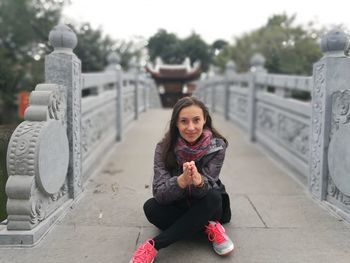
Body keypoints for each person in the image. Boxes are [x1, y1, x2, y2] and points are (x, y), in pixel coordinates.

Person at [129, 96, 234, 263]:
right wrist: (180, 182)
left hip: (207, 205)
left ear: (204, 120)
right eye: (184, 121)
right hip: (178, 204)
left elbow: (210, 186)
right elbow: (160, 193)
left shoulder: (217, 147)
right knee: (150, 207)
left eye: (196, 120)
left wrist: (199, 182)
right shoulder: (163, 149)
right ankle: (209, 228)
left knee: (214, 196)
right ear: (176, 124)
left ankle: (153, 246)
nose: (191, 127)